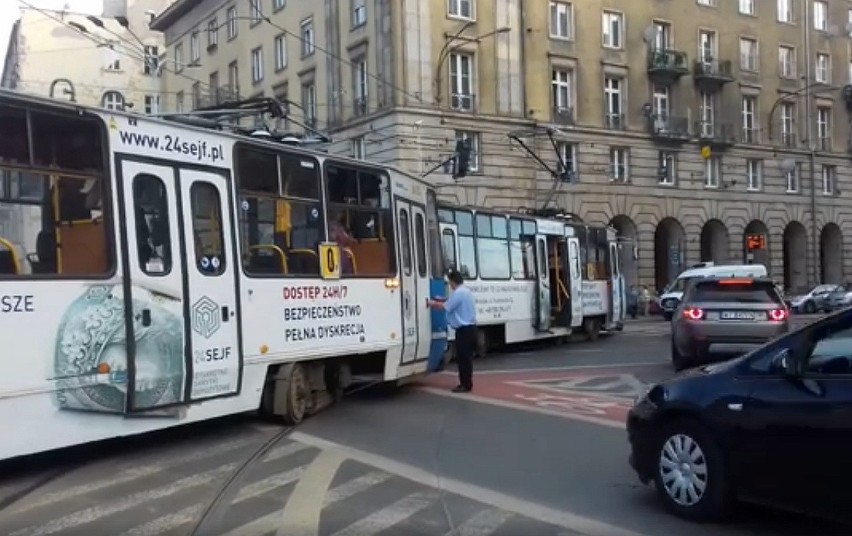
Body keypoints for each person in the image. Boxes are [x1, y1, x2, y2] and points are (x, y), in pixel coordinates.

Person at [428, 269, 476, 393]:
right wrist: (442, 299)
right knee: (467, 359)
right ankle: (467, 383)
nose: (450, 285)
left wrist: (431, 303)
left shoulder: (458, 293)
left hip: (463, 331)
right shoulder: (466, 292)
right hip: (471, 329)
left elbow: (445, 307)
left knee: (463, 359)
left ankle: (465, 384)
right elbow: (451, 303)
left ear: (454, 282)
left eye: (450, 283)